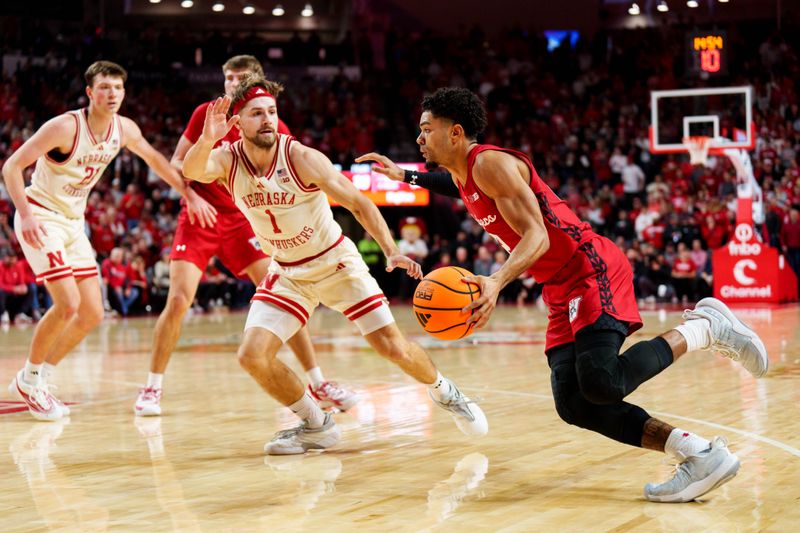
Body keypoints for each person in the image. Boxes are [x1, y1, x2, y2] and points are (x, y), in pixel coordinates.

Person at [356, 87, 769, 503]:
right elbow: (449, 184)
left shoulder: (491, 165)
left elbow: (536, 234)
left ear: (456, 133)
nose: (419, 138)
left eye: (427, 129)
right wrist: (403, 176)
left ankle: (704, 328)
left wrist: (496, 281)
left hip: (589, 268)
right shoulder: (466, 174)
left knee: (603, 381)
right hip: (557, 285)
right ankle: (697, 454)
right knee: (574, 402)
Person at [182, 77, 487, 455]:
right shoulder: (227, 158)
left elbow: (359, 203)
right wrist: (207, 138)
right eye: (256, 114)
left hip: (335, 264)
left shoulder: (301, 158)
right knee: (251, 355)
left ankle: (446, 391)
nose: (267, 120)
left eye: (272, 113)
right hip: (288, 272)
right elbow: (192, 170)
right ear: (238, 122)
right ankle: (315, 424)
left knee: (392, 348)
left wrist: (390, 250)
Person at [134, 55, 357, 416]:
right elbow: (177, 163)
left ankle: (319, 382)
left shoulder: (272, 123)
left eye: (240, 77)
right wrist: (191, 195)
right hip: (200, 216)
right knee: (177, 300)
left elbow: (288, 171)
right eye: (228, 77)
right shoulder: (207, 113)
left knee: (285, 295)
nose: (231, 82)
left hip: (243, 222)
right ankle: (151, 387)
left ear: (257, 83)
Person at [2, 60, 217, 421]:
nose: (112, 94)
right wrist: (24, 214)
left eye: (117, 88)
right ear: (89, 93)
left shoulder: (125, 128)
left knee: (92, 313)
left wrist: (189, 194)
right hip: (41, 216)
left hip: (73, 222)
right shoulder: (65, 126)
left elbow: (156, 161)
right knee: (67, 303)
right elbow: (11, 166)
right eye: (104, 87)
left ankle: (35, 376)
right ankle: (32, 379)